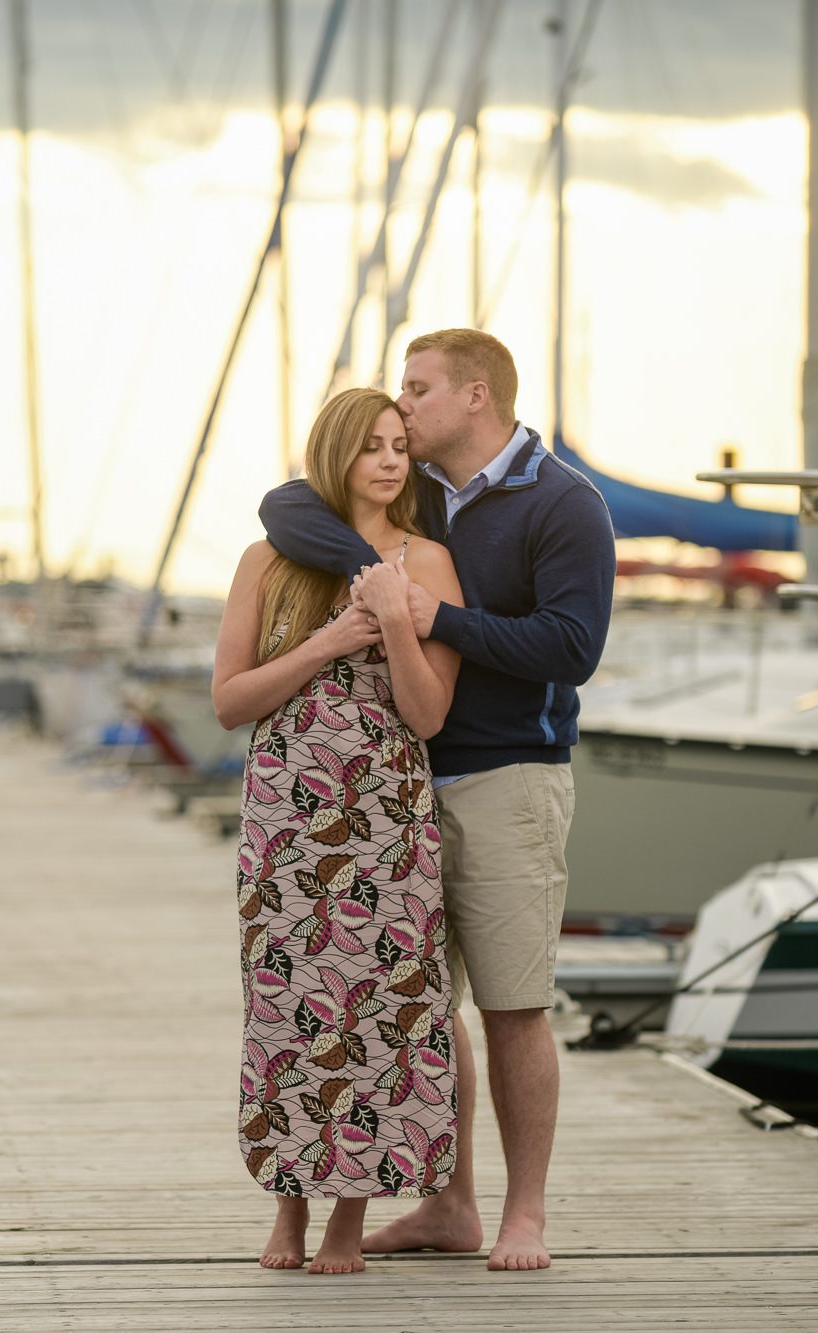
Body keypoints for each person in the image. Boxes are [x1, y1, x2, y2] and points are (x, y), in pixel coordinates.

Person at [259, 329, 615, 1271]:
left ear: (476, 399)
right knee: (416, 1005)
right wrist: (374, 576)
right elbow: (287, 502)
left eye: (416, 391)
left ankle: (524, 1212)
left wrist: (436, 617)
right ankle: (448, 1202)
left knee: (512, 1002)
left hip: (506, 775)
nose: (401, 407)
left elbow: (574, 647)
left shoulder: (565, 504)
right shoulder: (415, 492)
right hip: (397, 790)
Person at [214, 386, 465, 1275]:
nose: (392, 461)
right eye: (372, 447)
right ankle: (286, 1208)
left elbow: (428, 713)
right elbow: (229, 701)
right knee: (286, 1004)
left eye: (400, 445)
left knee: (377, 1010)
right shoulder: (267, 560)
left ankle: (347, 1222)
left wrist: (395, 617)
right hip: (285, 812)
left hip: (384, 817)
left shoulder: (428, 561)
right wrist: (327, 641)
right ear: (335, 455)